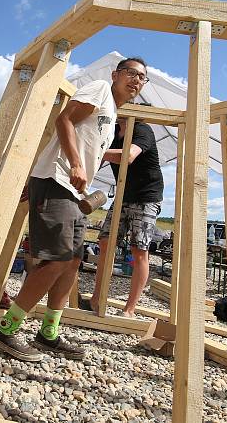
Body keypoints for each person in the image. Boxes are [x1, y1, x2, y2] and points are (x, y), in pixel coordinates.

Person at [0, 58, 148, 362]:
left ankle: (48, 333)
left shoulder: (113, 115)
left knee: (72, 262)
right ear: (115, 75)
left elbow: (91, 151)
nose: (136, 80)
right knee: (57, 259)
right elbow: (64, 120)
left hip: (72, 190)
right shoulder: (100, 89)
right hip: (58, 181)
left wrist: (81, 167)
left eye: (142, 78)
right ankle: (6, 329)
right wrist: (72, 164)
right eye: (131, 73)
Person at [85, 117, 163, 317]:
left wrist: (96, 150)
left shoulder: (142, 129)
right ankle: (96, 300)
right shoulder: (112, 133)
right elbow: (96, 159)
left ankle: (129, 309)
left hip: (146, 197)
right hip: (123, 195)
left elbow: (128, 155)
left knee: (139, 250)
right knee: (105, 243)